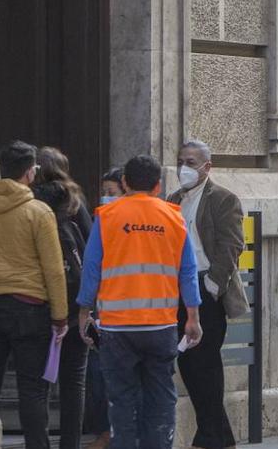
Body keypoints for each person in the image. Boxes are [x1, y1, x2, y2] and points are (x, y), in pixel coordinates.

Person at [77, 155, 202, 449]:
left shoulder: (106, 217)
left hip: (117, 329)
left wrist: (84, 312)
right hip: (160, 326)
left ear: (124, 182)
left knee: (121, 399)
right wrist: (193, 316)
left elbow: (91, 268)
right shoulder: (174, 217)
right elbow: (188, 270)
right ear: (158, 186)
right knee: (161, 397)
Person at [0, 140, 69, 449]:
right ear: (29, 173)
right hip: (30, 308)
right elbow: (54, 270)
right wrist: (60, 315)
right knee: (33, 390)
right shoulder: (39, 211)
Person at [167, 140, 250, 449]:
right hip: (179, 288)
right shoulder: (173, 199)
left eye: (191, 161)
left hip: (207, 287)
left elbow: (232, 244)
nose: (184, 167)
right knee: (188, 364)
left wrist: (214, 285)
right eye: (181, 160)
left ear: (206, 166)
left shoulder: (223, 199)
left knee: (205, 363)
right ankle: (217, 437)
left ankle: (211, 437)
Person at [31, 146, 94, 449]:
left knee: (38, 380)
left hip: (38, 299)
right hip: (75, 301)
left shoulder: (29, 200)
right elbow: (92, 246)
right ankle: (71, 444)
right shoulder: (74, 199)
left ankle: (39, 442)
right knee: (74, 381)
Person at [85, 167, 123, 449]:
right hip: (104, 310)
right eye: (104, 192)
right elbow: (92, 267)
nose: (106, 198)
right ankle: (105, 430)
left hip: (128, 315)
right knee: (98, 374)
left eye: (112, 193)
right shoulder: (101, 221)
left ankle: (115, 432)